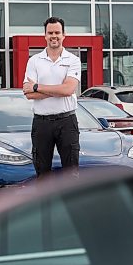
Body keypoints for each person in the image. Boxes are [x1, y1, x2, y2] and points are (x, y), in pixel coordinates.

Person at [23, 16, 81, 178]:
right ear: (45, 35)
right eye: (50, 33)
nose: (54, 36)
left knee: (71, 173)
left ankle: (71, 204)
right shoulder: (34, 61)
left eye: (57, 32)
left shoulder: (73, 60)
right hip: (41, 123)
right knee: (42, 174)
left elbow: (69, 89)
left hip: (67, 122)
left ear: (64, 35)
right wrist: (58, 90)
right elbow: (29, 94)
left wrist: (37, 86)